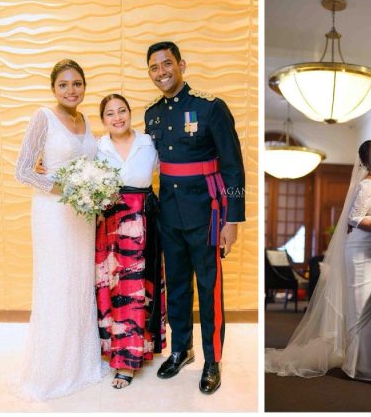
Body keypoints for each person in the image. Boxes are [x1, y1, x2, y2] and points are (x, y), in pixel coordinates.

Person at [144, 41, 245, 394]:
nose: (161, 72)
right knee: (177, 285)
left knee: (209, 287)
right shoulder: (152, 114)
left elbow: (233, 167)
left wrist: (233, 221)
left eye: (166, 64)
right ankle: (181, 349)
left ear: (181, 64)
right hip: (168, 213)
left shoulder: (210, 107)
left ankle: (212, 360)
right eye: (154, 68)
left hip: (207, 213)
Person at [13, 59, 109, 401]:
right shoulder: (44, 117)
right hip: (53, 213)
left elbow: (93, 163)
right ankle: (53, 369)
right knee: (57, 283)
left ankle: (81, 362)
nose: (72, 90)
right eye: (64, 85)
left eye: (77, 84)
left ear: (84, 86)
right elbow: (23, 170)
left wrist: (94, 188)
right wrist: (66, 188)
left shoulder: (85, 120)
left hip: (82, 215)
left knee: (79, 281)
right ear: (54, 89)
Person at [265, 140, 371, 381]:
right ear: (366, 163)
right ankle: (360, 366)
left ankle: (367, 361)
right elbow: (355, 218)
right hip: (361, 251)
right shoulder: (366, 185)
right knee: (361, 307)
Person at [94, 94, 166, 388]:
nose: (117, 117)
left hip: (144, 218)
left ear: (130, 113)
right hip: (110, 221)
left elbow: (168, 174)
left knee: (138, 289)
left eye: (122, 111)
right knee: (114, 289)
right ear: (103, 120)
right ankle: (118, 353)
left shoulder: (149, 143)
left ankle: (131, 359)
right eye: (110, 114)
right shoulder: (98, 147)